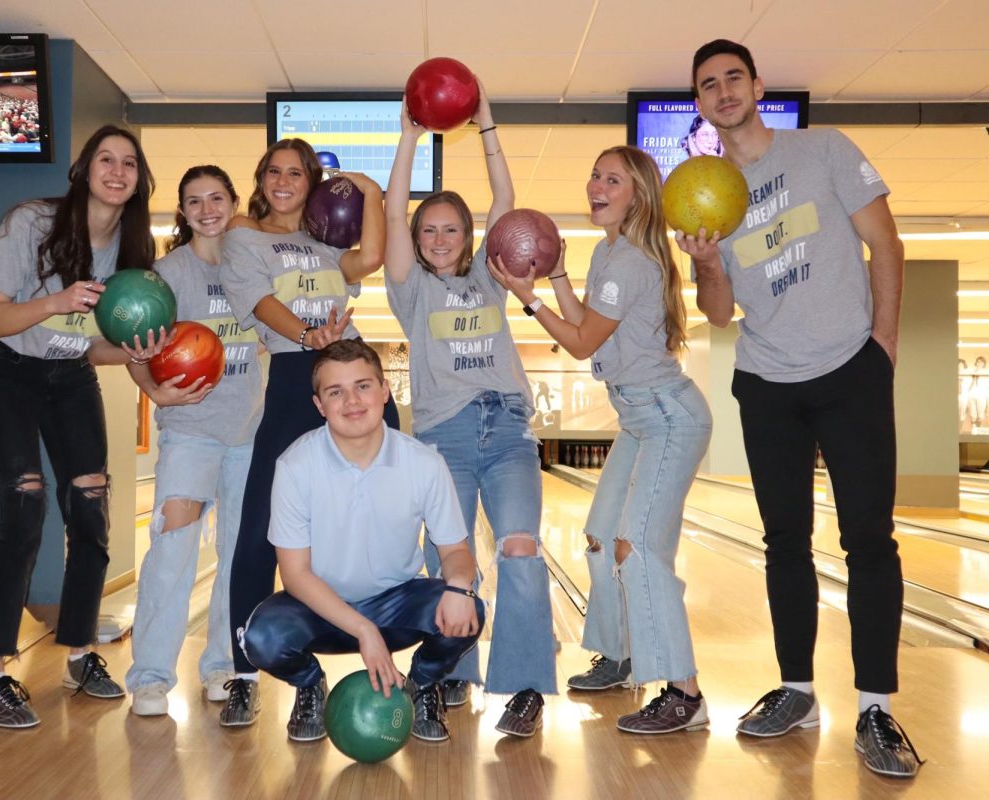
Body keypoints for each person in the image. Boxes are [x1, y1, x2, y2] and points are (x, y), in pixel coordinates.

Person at [680, 39, 922, 777]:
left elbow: (887, 244)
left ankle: (877, 706)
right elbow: (718, 315)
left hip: (851, 369)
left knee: (869, 540)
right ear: (698, 105)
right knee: (784, 542)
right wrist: (709, 265)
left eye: (733, 79)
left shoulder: (822, 150)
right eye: (708, 86)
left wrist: (881, 346)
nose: (723, 93)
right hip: (766, 379)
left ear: (757, 86)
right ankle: (797, 691)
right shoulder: (705, 193)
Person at [488, 146, 713, 734]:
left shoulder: (633, 260)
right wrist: (559, 275)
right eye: (594, 174)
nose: (597, 185)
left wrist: (527, 294)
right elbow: (590, 322)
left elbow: (582, 342)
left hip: (667, 417)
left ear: (637, 195)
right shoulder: (607, 250)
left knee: (634, 546)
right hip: (639, 419)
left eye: (613, 179)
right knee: (598, 538)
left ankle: (684, 693)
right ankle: (622, 655)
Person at [0, 125, 161, 729]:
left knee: (91, 508)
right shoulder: (29, 222)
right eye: (106, 158)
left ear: (138, 181)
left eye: (129, 163)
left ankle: (80, 653)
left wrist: (139, 351)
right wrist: (55, 300)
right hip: (6, 374)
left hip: (70, 377)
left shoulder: (133, 250)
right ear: (83, 170)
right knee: (24, 507)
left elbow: (96, 349)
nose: (117, 170)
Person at [385, 83, 556, 738]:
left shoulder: (491, 277)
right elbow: (394, 207)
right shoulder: (410, 291)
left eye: (449, 228)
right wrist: (407, 134)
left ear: (468, 238)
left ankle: (525, 687)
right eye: (427, 230)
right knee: (448, 560)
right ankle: (451, 671)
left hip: (508, 428)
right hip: (444, 438)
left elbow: (505, 203)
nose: (436, 237)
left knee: (519, 550)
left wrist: (487, 125)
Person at [219, 138, 397, 727]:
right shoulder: (245, 235)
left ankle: (402, 657)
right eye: (273, 171)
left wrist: (366, 187)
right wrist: (306, 335)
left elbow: (370, 256)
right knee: (258, 528)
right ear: (261, 178)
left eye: (297, 173)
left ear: (314, 181)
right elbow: (257, 301)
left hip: (349, 370)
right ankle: (245, 672)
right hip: (297, 375)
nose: (284, 181)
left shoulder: (326, 243)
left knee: (386, 510)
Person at [241, 340, 484, 743]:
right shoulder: (295, 466)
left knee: (467, 608)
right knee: (261, 638)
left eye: (363, 386)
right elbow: (296, 575)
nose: (352, 401)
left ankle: (422, 683)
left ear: (384, 391)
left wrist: (459, 586)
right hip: (318, 608)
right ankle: (310, 685)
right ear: (320, 405)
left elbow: (456, 551)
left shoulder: (423, 463)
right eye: (335, 392)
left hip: (396, 603)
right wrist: (364, 630)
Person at [124, 166, 264, 716]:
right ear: (181, 212)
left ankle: (224, 668)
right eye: (193, 201)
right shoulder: (167, 274)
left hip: (250, 432)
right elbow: (137, 346)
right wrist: (156, 392)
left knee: (237, 555)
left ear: (233, 202)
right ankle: (152, 678)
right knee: (171, 552)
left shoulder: (253, 264)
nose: (207, 209)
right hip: (190, 432)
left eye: (215, 198)